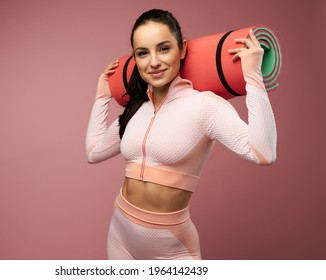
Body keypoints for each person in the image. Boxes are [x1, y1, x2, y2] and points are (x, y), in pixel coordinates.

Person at [86, 9, 277, 260]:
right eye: (143, 53)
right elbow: (93, 152)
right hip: (120, 236)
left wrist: (253, 77)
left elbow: (263, 153)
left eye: (164, 48)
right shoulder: (135, 109)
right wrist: (101, 96)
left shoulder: (204, 106)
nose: (153, 62)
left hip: (173, 250)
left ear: (182, 49)